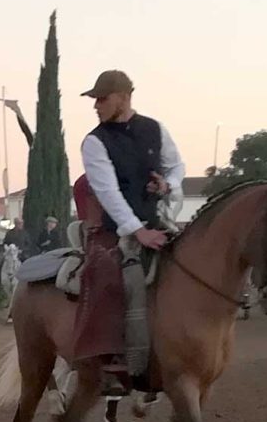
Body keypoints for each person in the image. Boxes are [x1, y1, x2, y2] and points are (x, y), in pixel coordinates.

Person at [73, 69, 184, 391]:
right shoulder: (95, 142)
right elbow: (108, 193)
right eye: (95, 100)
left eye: (102, 99)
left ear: (124, 97)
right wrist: (137, 231)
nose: (96, 106)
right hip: (113, 229)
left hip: (158, 221)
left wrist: (169, 183)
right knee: (107, 274)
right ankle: (110, 359)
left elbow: (177, 166)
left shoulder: (155, 129)